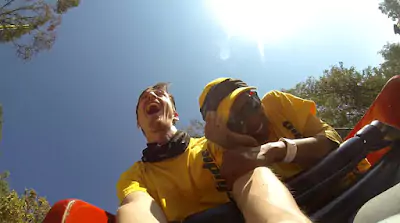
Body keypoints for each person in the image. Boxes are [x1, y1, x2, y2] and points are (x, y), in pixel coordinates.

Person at [116, 82, 311, 223]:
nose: (151, 96)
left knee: (251, 170)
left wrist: (233, 143)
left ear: (175, 114)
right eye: (144, 98)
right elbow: (137, 206)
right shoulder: (134, 176)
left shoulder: (212, 144)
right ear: (138, 123)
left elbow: (252, 173)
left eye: (158, 94)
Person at [198, 77, 371, 188]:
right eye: (237, 118)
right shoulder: (222, 153)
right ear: (223, 129)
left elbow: (330, 140)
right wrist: (235, 143)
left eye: (252, 104)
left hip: (360, 182)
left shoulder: (275, 103)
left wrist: (276, 150)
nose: (252, 118)